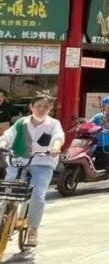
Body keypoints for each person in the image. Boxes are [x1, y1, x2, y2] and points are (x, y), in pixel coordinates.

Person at [0, 92, 64, 248]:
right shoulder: (21, 123)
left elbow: (58, 137)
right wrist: (2, 144)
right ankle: (7, 217)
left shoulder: (53, 124)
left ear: (50, 108)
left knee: (38, 195)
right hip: (18, 160)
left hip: (42, 162)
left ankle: (33, 229)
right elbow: (8, 136)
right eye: (38, 106)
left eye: (45, 107)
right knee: (7, 192)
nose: (41, 109)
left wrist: (55, 148)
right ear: (31, 107)